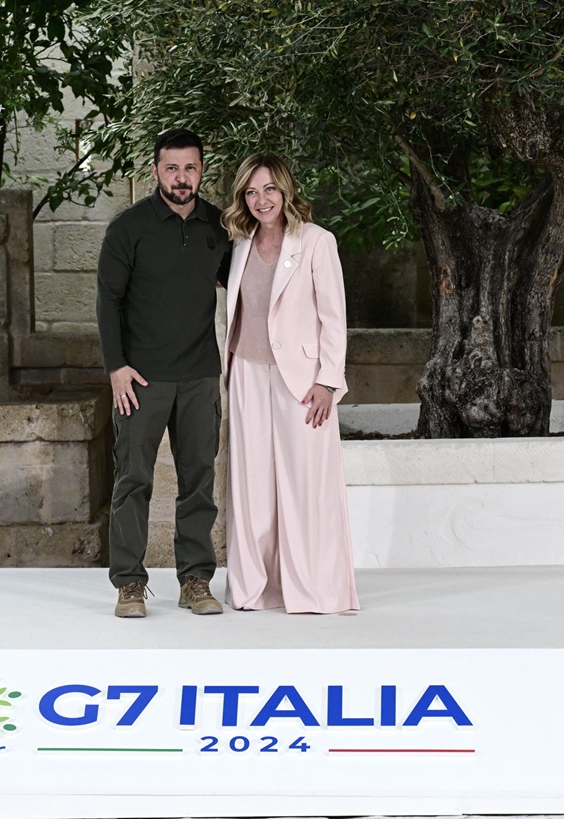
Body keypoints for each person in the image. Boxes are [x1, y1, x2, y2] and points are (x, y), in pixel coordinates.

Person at [96, 128, 231, 618]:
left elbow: (246, 285)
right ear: (155, 171)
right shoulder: (128, 228)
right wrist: (116, 367)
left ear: (201, 171)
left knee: (199, 479)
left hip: (199, 375)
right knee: (133, 479)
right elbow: (107, 301)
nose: (181, 177)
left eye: (189, 168)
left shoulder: (219, 227)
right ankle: (129, 583)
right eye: (171, 168)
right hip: (140, 378)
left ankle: (196, 579)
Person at [220, 152, 360, 614]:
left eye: (270, 189)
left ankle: (312, 588)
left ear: (286, 191)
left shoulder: (318, 242)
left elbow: (334, 318)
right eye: (252, 192)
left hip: (302, 380)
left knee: (304, 485)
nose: (262, 200)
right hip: (245, 372)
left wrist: (328, 380)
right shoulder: (238, 245)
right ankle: (253, 589)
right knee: (251, 485)